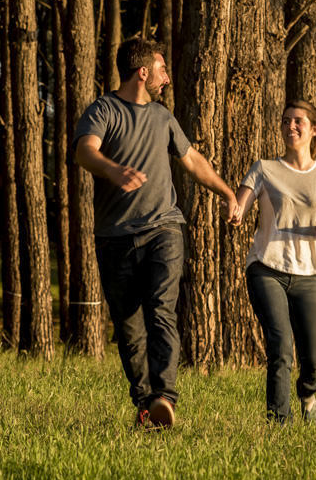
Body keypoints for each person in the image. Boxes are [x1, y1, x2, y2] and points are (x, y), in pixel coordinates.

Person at [73, 37, 237, 430]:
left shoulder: (164, 117)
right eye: (161, 70)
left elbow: (192, 159)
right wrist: (112, 170)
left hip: (164, 226)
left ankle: (166, 396)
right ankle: (147, 406)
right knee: (129, 327)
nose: (166, 78)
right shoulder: (103, 109)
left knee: (162, 310)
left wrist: (227, 192)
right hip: (114, 236)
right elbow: (84, 151)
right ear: (143, 72)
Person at [230, 99, 316, 424]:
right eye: (285, 121)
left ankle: (307, 395)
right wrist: (236, 212)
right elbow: (242, 203)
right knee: (280, 346)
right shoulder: (264, 168)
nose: (290, 126)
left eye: (298, 121)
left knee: (315, 360)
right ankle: (279, 422)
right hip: (267, 269)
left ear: (314, 130)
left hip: (309, 274)